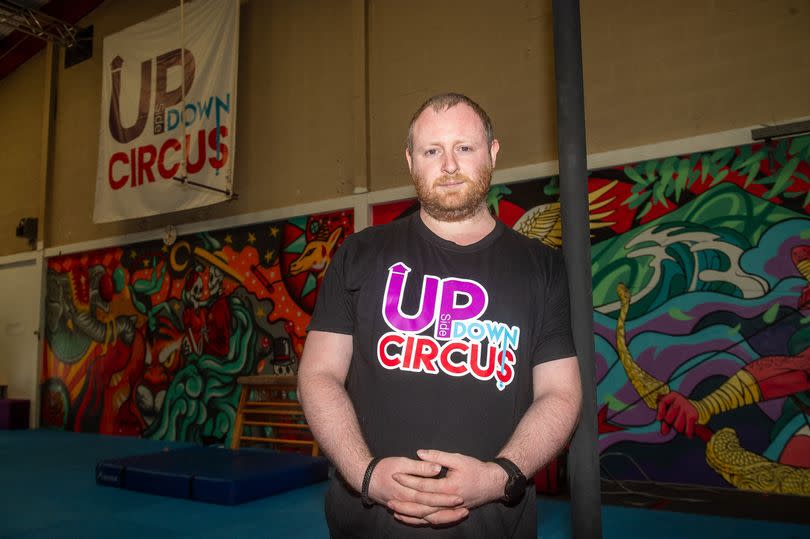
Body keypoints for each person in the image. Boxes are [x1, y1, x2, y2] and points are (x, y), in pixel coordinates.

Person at [298, 92, 582, 538]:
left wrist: (498, 477)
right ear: (411, 161)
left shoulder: (541, 267)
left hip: (494, 526)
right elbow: (318, 375)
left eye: (464, 148)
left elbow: (561, 394)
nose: (448, 164)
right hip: (368, 525)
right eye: (432, 151)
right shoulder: (360, 254)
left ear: (492, 153)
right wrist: (366, 475)